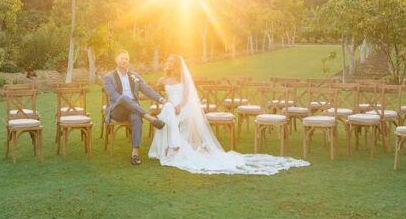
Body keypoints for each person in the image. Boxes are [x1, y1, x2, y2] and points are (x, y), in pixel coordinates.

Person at [147, 54, 309, 175]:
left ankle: (171, 147)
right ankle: (171, 147)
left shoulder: (182, 78)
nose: (168, 64)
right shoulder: (162, 80)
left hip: (183, 108)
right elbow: (153, 93)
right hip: (170, 108)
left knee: (166, 116)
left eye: (171, 62)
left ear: (176, 65)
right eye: (167, 62)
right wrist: (165, 101)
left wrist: (179, 106)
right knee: (166, 113)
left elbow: (187, 96)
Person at [102, 50, 166, 165]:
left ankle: (135, 152)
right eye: (122, 58)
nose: (124, 61)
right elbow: (115, 96)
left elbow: (147, 89)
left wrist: (161, 99)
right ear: (116, 60)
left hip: (134, 109)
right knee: (124, 98)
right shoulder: (108, 77)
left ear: (128, 61)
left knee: (136, 118)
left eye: (126, 59)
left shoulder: (135, 76)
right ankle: (149, 118)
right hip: (117, 110)